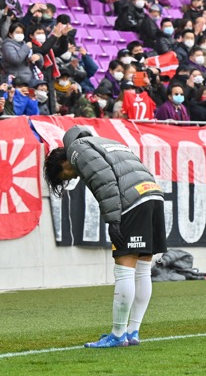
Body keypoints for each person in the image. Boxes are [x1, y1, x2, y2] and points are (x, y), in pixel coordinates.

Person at [43, 126, 165, 348]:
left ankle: (118, 335)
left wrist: (114, 220)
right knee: (143, 269)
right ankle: (133, 331)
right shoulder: (105, 141)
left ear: (62, 163)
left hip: (132, 202)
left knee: (124, 269)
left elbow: (104, 180)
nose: (70, 178)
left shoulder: (78, 151)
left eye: (64, 176)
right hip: (153, 195)